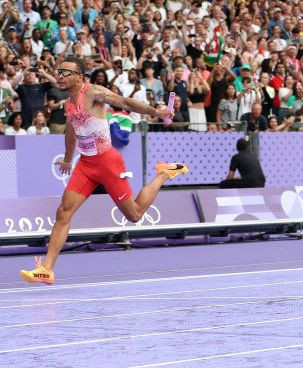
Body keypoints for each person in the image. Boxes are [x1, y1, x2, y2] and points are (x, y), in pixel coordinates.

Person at [19, 57, 186, 285]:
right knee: (63, 212)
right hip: (86, 165)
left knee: (134, 215)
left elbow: (125, 102)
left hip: (108, 162)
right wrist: (68, 160)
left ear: (79, 76)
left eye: (65, 72)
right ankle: (47, 269)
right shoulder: (69, 103)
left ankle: (164, 173)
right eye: (58, 72)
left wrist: (154, 111)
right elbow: (71, 133)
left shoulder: (94, 93)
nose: (59, 76)